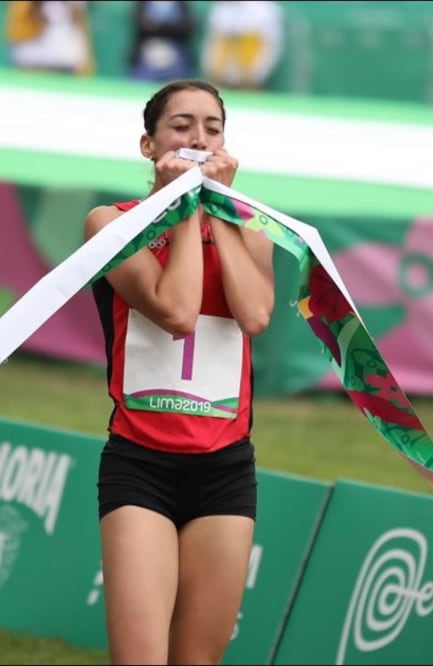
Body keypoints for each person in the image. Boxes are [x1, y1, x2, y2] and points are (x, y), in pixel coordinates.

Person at [83, 79, 275, 664]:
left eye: (212, 129)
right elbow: (176, 310)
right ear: (149, 145)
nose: (198, 139)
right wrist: (185, 208)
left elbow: (256, 315)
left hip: (224, 467)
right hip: (140, 463)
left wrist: (217, 214)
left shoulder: (253, 231)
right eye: (182, 126)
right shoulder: (109, 222)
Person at [200, 1, 284, 91]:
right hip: (220, 80)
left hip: (249, 81)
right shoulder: (221, 8)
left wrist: (257, 73)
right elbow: (213, 42)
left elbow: (270, 47)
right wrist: (211, 69)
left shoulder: (265, 9)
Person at [5, 1, 95, 75]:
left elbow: (79, 23)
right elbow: (19, 25)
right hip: (33, 55)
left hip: (65, 59)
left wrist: (84, 58)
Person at [127, 1, 197, 82]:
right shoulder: (142, 4)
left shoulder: (182, 4)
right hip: (147, 51)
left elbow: (186, 27)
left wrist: (157, 26)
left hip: (175, 52)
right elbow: (140, 24)